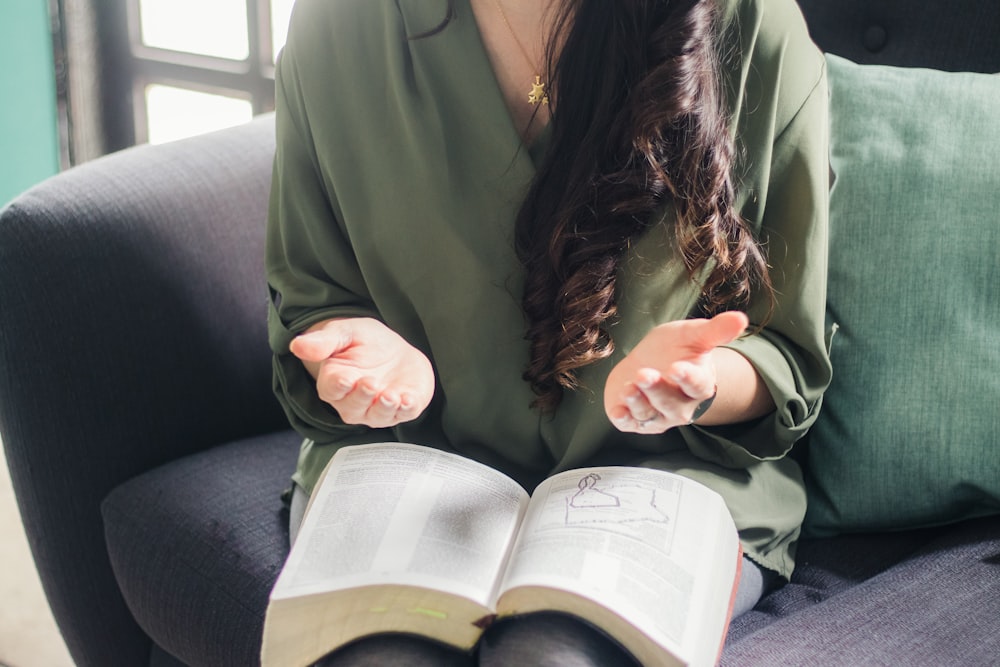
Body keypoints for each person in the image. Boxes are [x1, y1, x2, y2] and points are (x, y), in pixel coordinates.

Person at [266, 0, 831, 663]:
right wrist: (360, 356)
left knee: (550, 657)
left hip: (668, 479)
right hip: (415, 463)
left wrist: (699, 383)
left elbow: (785, 349)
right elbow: (311, 295)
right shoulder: (339, 24)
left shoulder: (752, 23)